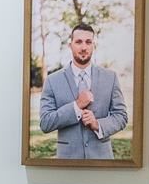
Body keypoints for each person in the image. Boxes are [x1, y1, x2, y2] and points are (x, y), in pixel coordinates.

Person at [36, 22, 130, 160]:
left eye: (88, 42)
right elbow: (45, 123)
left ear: (94, 45)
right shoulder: (52, 80)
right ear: (70, 45)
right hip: (68, 162)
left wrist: (98, 125)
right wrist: (76, 106)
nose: (84, 47)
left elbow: (121, 116)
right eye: (78, 42)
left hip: (102, 161)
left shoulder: (110, 78)